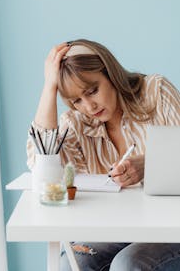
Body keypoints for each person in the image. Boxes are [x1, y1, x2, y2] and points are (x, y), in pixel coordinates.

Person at [27, 38, 180, 271]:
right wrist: (49, 86)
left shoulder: (156, 92)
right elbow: (41, 163)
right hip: (118, 228)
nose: (89, 106)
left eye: (93, 90)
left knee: (128, 264)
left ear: (111, 74)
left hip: (171, 226)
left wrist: (150, 164)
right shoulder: (76, 123)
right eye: (77, 100)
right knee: (70, 262)